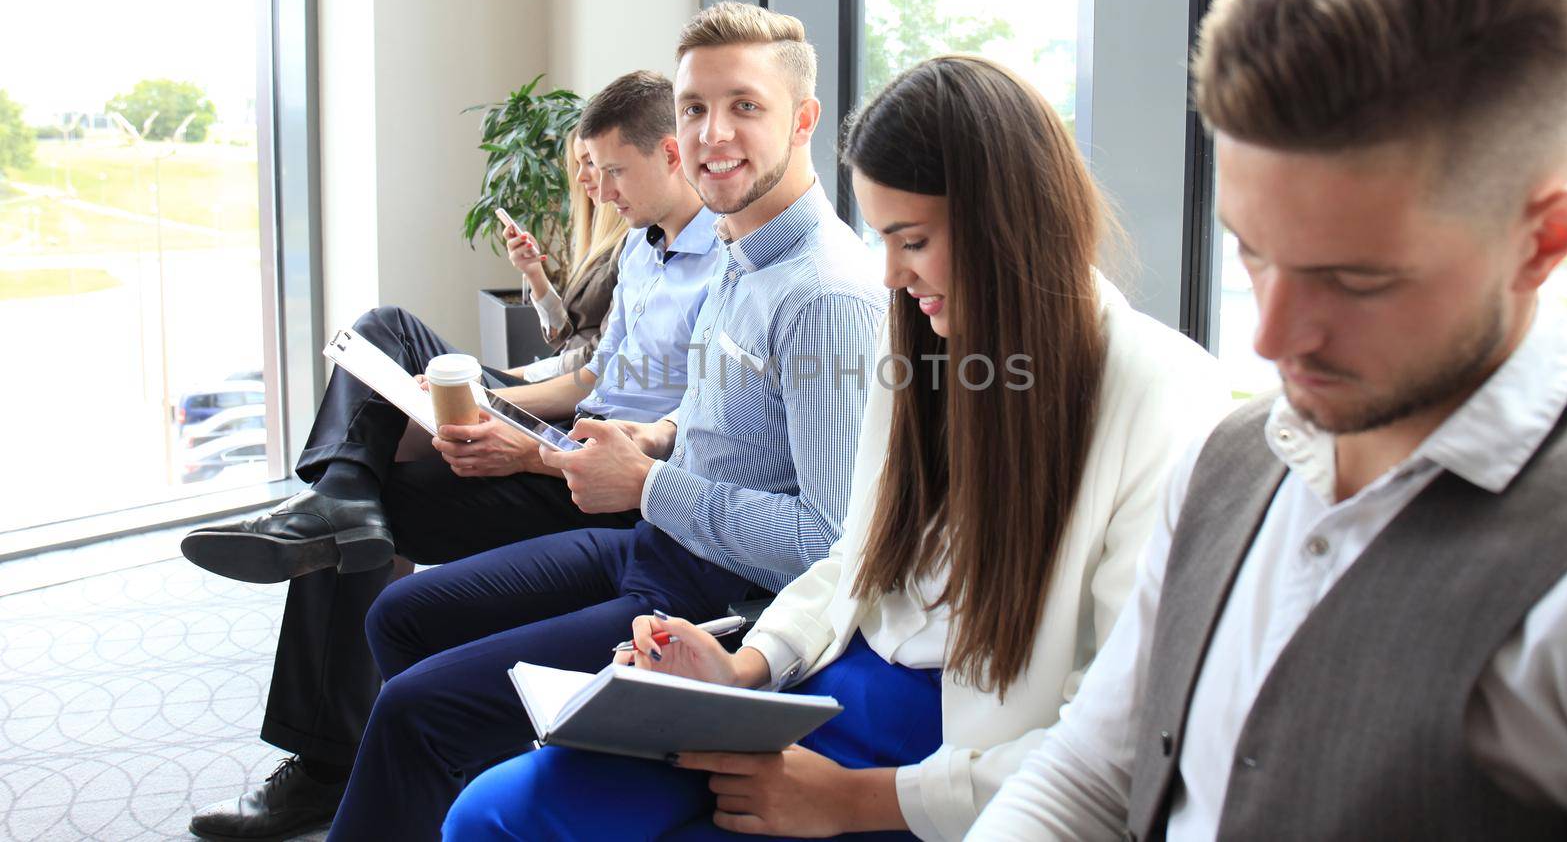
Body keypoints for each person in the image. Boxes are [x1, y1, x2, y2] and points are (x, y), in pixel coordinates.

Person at [440, 56, 1232, 841]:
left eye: (913, 240)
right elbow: (857, 554)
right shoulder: (922, 347)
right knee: (492, 812)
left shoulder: (1160, 394)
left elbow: (1115, 741)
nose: (891, 274)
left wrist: (857, 802)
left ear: (1010, 224)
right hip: (833, 678)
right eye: (883, 238)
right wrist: (743, 669)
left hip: (954, 750)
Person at [968, 0, 1567, 840]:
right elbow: (1091, 777)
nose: (1269, 337)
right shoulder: (1227, 460)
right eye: (1252, 251)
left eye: (1354, 279)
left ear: (1543, 243)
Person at [317, 1, 887, 841]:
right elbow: (715, 422)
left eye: (746, 107)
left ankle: (463, 778)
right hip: (659, 548)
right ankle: (470, 783)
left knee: (411, 711)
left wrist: (649, 481)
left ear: (802, 119)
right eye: (695, 108)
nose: (712, 133)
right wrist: (648, 440)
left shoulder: (826, 296)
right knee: (396, 617)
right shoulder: (737, 250)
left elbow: (830, 543)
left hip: (722, 600)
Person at [183, 69, 722, 842]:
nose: (599, 190)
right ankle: (339, 493)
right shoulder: (644, 247)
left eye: (613, 171)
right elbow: (595, 376)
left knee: (368, 518)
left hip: (606, 476)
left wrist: (527, 451)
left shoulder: (728, 263)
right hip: (569, 426)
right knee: (387, 332)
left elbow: (687, 429)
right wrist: (493, 406)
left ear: (670, 155)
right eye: (594, 171)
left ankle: (329, 762)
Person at [506, 127, 630, 383]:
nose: (580, 176)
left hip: (569, 387)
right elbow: (564, 334)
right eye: (577, 164)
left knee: (404, 329)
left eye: (589, 162)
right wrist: (534, 273)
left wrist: (519, 376)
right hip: (559, 378)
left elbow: (596, 356)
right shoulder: (596, 243)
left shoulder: (631, 246)